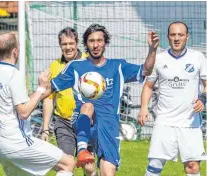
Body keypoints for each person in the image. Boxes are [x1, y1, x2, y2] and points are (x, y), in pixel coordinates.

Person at [42, 23, 159, 175]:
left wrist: (152, 49)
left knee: (105, 172)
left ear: (105, 42)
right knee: (88, 107)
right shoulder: (76, 67)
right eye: (91, 41)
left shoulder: (118, 66)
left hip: (108, 125)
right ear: (85, 44)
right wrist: (28, 102)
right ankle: (82, 148)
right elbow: (50, 88)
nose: (95, 45)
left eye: (99, 40)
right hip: (84, 119)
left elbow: (146, 70)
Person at [0, 32, 75, 176]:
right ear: (15, 51)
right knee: (68, 163)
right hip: (17, 142)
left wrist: (38, 94)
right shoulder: (13, 74)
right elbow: (24, 112)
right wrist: (41, 87)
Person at [138, 21, 207, 176]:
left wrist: (202, 98)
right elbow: (148, 86)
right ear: (168, 37)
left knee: (192, 165)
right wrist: (143, 107)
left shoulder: (197, 57)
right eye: (173, 35)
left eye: (180, 35)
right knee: (155, 164)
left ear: (187, 37)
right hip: (164, 121)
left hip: (190, 121)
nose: (177, 38)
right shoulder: (159, 59)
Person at [41, 27, 97, 176]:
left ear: (77, 43)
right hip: (63, 122)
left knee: (88, 166)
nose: (68, 47)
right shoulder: (54, 66)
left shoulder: (89, 62)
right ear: (60, 45)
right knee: (65, 164)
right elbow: (48, 98)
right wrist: (45, 128)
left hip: (85, 120)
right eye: (64, 44)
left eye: (71, 43)